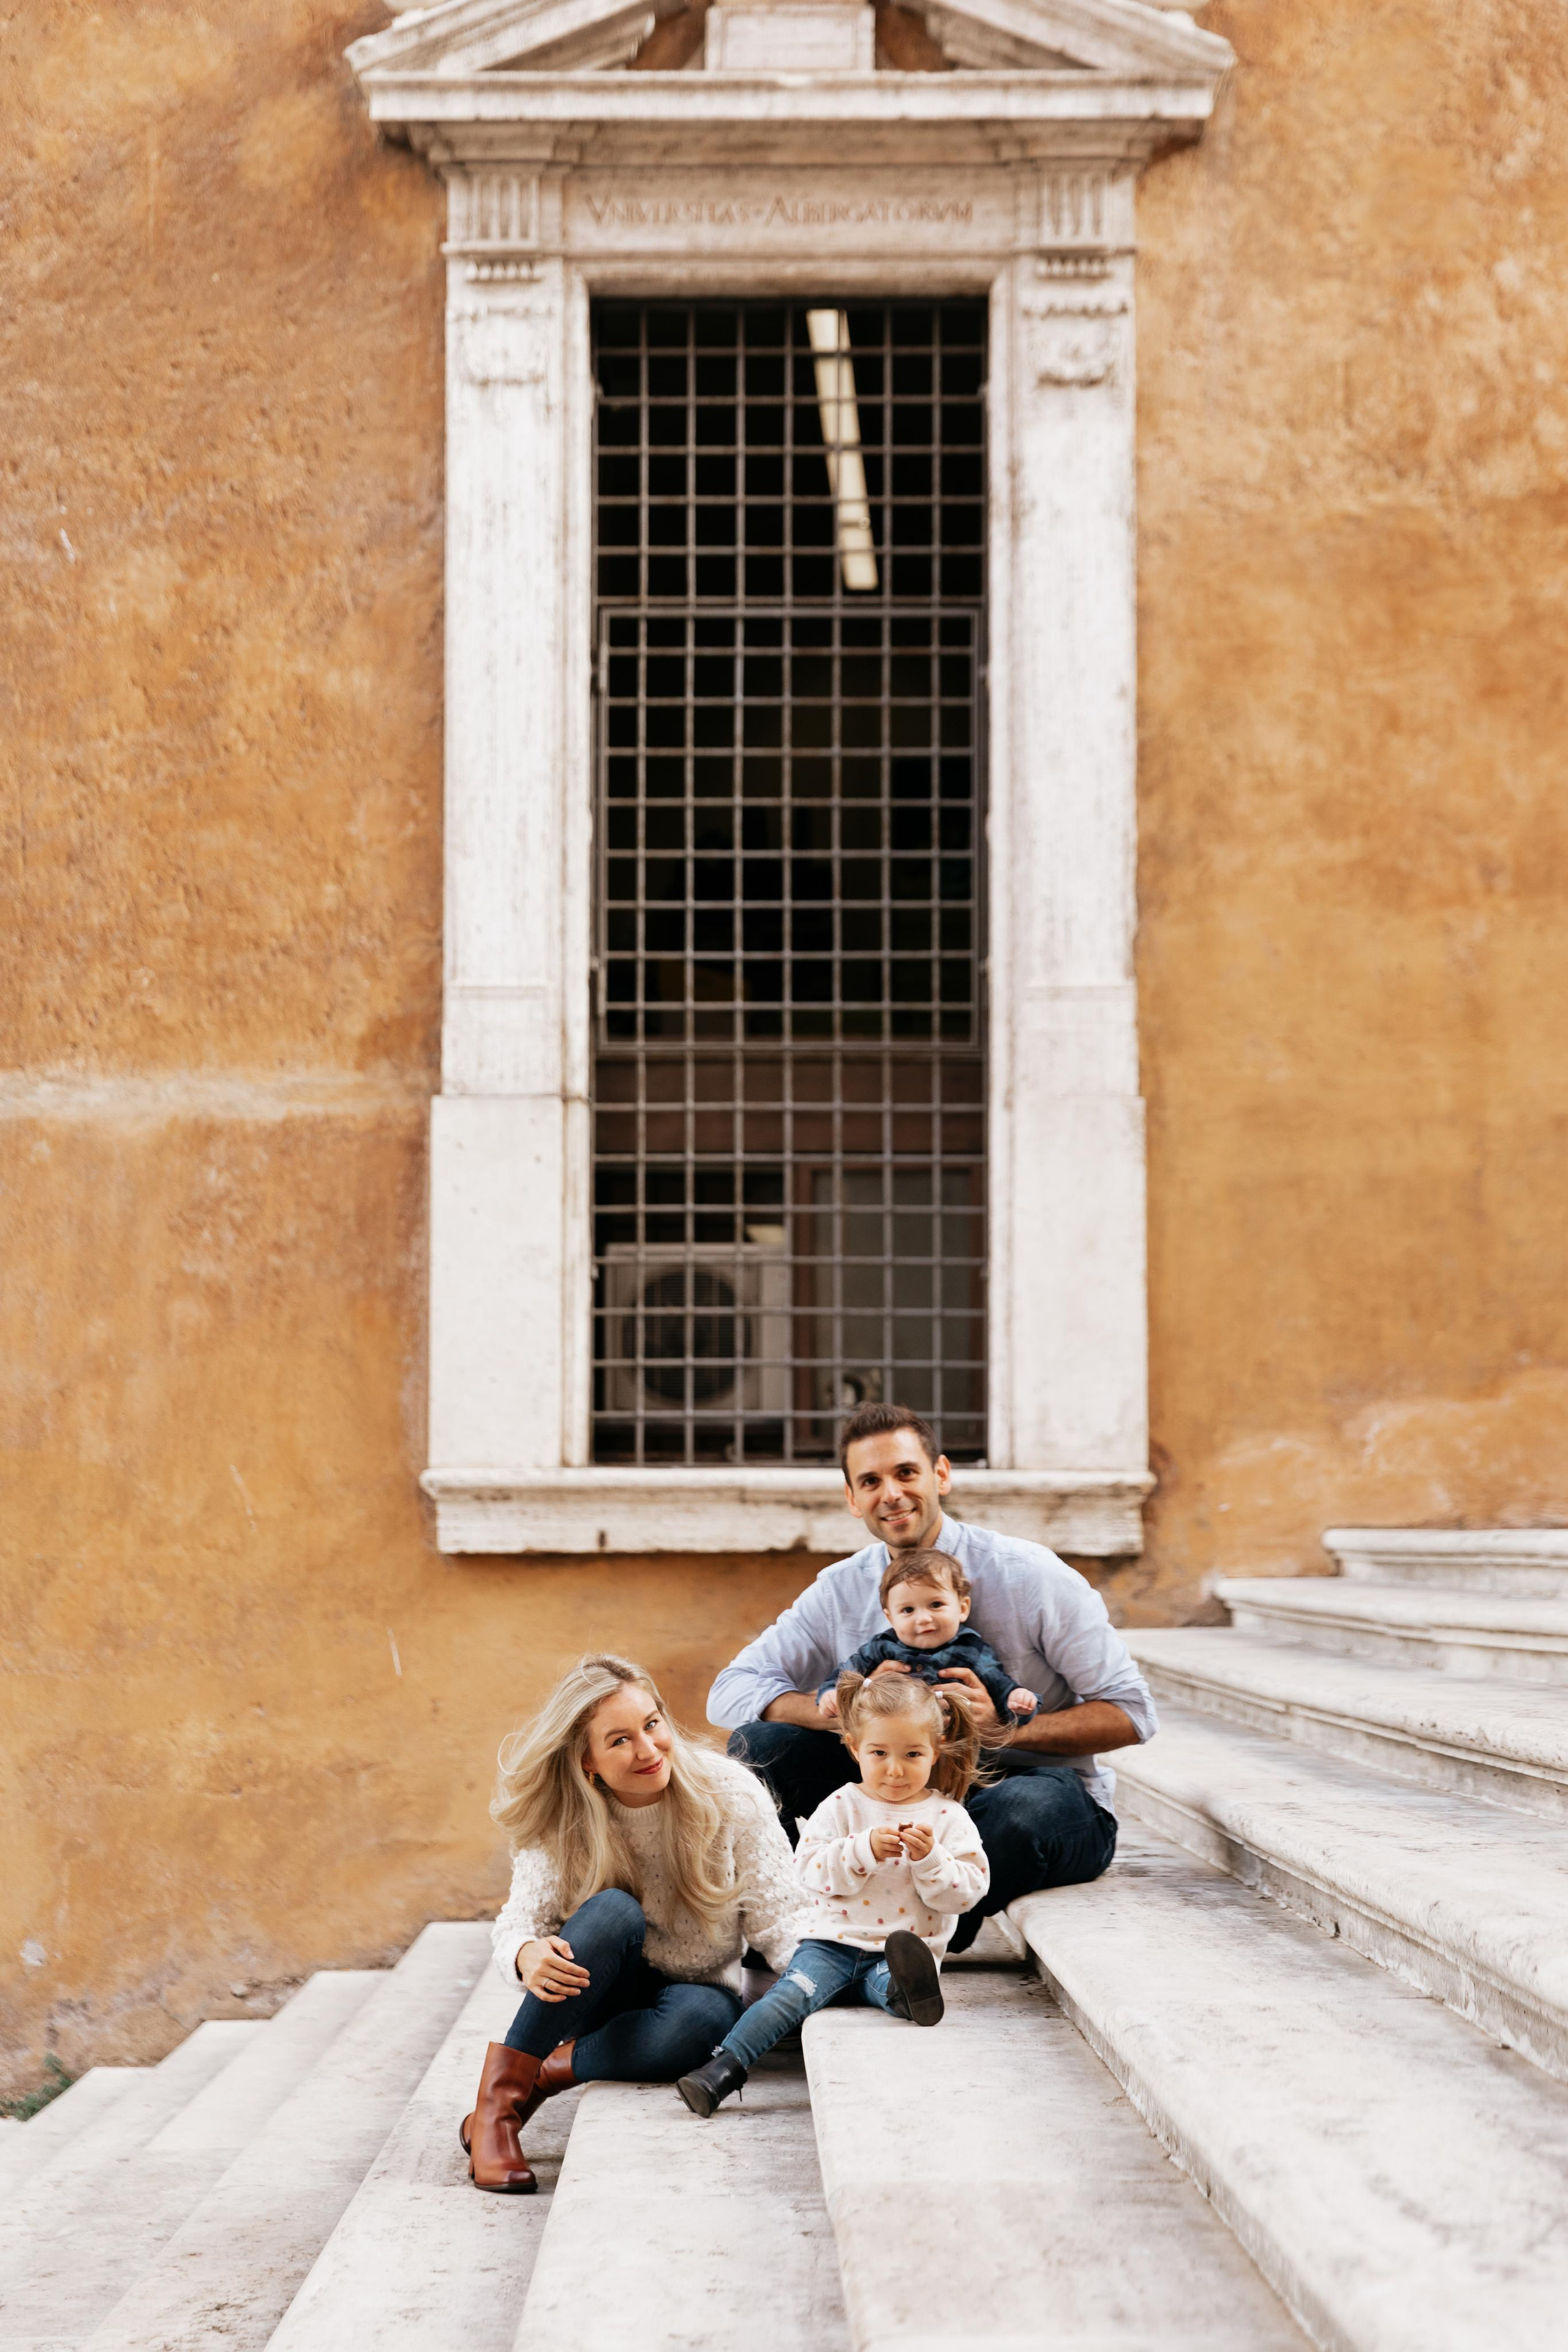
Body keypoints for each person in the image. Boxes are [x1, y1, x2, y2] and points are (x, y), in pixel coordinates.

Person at [709, 1403, 1157, 1951]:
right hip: (891, 1791)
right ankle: (783, 1927)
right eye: (870, 1481)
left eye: (905, 1473)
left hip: (1020, 1788)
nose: (891, 1494)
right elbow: (730, 1691)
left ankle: (896, 1947)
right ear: (853, 1499)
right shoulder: (839, 1589)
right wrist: (848, 1706)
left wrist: (1006, 1730)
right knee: (761, 1747)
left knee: (1020, 1813)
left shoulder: (1031, 1575)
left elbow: (1133, 1714)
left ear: (940, 1474)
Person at [464, 1652, 807, 2192]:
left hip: (694, 1993)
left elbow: (781, 1919)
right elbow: (517, 1926)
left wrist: (833, 1974)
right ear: (587, 1761)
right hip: (597, 1989)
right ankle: (496, 2114)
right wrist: (525, 1953)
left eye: (652, 1725)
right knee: (611, 1911)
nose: (648, 1750)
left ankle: (535, 2080)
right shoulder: (564, 1816)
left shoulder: (730, 1792)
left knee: (706, 2023)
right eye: (619, 1740)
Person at [676, 1671, 989, 2117]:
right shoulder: (843, 1805)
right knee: (789, 1995)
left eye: (913, 1754)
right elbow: (808, 1870)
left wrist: (932, 1861)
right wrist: (861, 1850)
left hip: (896, 1953)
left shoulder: (947, 1817)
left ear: (935, 1752)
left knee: (890, 1982)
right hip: (832, 1946)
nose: (895, 1769)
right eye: (879, 1753)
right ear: (855, 1748)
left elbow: (967, 1893)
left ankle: (908, 1993)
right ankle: (723, 2068)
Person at [816, 1548, 1039, 1726]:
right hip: (892, 1751)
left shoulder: (972, 1650)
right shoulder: (882, 1648)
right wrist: (832, 1694)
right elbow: (845, 1675)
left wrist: (1018, 1701)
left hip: (956, 1756)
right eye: (908, 1610)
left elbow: (1002, 1690)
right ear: (891, 1618)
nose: (923, 1618)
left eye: (936, 1605)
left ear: (962, 1608)